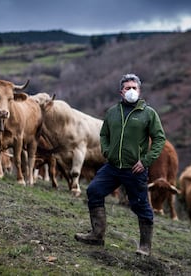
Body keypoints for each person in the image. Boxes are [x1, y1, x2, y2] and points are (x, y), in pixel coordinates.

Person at [75, 73, 166, 256]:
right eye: (127, 88)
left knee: (141, 205)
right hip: (113, 167)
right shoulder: (112, 112)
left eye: (134, 88)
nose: (131, 91)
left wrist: (146, 161)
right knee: (93, 190)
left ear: (139, 91)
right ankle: (97, 235)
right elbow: (104, 135)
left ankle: (145, 246)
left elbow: (159, 139)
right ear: (121, 92)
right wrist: (107, 151)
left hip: (135, 168)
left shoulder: (148, 114)